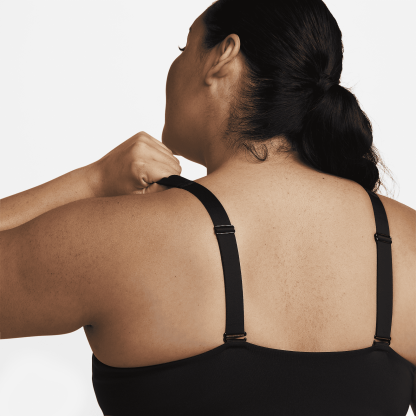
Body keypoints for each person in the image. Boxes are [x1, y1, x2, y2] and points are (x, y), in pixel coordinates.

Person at [1, 0, 415, 414]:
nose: (177, 64)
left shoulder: (124, 239)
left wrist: (91, 181)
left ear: (223, 56)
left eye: (184, 49)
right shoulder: (407, 243)